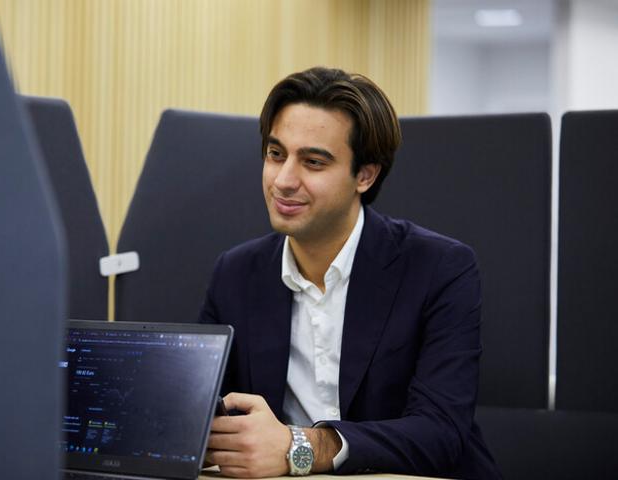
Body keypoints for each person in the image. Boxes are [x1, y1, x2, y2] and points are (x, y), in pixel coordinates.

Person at [199, 66, 500, 479]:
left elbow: (441, 432)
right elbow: (202, 410)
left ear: (365, 174)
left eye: (313, 162)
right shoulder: (236, 273)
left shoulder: (439, 268)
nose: (284, 180)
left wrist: (300, 447)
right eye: (276, 154)